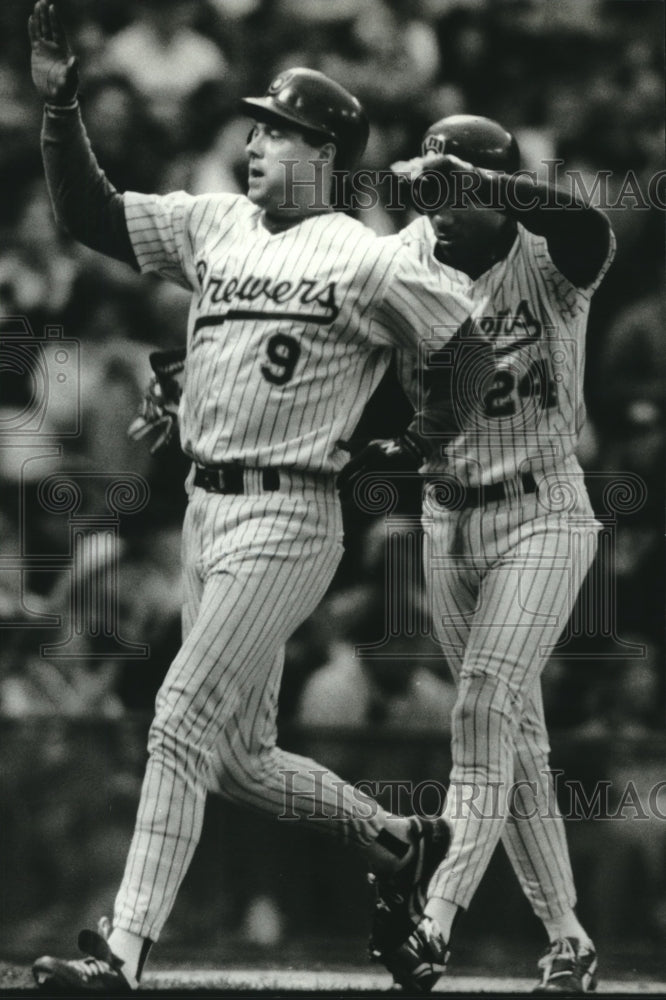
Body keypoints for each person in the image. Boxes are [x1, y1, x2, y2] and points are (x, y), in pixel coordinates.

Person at [27, 3, 480, 992]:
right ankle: (400, 839)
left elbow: (464, 345)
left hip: (289, 515)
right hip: (204, 506)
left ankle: (124, 945)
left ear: (324, 149)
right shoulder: (213, 221)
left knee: (180, 711)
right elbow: (90, 216)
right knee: (236, 757)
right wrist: (61, 104)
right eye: (255, 126)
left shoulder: (366, 257)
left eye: (276, 130)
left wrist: (422, 442)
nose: (255, 142)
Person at [340, 115, 615, 993]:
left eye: (458, 189)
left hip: (543, 509)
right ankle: (569, 940)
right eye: (430, 186)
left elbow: (591, 227)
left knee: (483, 705)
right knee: (514, 737)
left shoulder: (549, 253)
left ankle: (434, 919)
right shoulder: (407, 256)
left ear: (498, 188)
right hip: (447, 516)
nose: (438, 204)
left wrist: (479, 183)